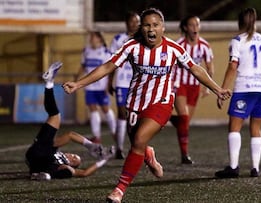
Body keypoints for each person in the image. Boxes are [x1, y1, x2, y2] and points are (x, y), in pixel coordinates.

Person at [62, 8, 231, 203]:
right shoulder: (131, 46)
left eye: (155, 25)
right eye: (147, 25)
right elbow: (108, 67)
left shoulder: (173, 48)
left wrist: (217, 88)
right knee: (137, 144)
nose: (151, 29)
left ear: (163, 27)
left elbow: (195, 69)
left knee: (140, 139)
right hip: (135, 103)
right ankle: (148, 154)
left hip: (161, 102)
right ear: (141, 28)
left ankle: (119, 189)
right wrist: (78, 84)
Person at [25, 62, 114, 180]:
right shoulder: (55, 150)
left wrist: (103, 160)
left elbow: (84, 173)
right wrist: (91, 146)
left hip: (37, 161)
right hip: (39, 150)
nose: (71, 156)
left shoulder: (64, 165)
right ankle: (49, 83)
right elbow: (70, 135)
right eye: (74, 156)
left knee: (65, 170)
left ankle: (42, 174)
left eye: (73, 159)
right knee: (55, 115)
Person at [214, 8, 261, 178]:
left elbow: (233, 66)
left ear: (240, 22)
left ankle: (233, 167)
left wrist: (222, 89)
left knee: (235, 126)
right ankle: (255, 168)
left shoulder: (238, 40)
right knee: (256, 128)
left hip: (245, 88)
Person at [170, 15, 215, 164]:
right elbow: (171, 65)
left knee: (185, 122)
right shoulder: (179, 44)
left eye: (197, 25)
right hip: (180, 84)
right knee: (184, 117)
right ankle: (184, 154)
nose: (195, 28)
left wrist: (207, 86)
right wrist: (171, 84)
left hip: (194, 86)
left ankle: (170, 118)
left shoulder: (204, 46)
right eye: (191, 25)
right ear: (185, 28)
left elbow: (210, 67)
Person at [109, 11, 140, 159]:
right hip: (122, 82)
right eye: (132, 21)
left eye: (137, 21)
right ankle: (119, 149)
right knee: (122, 115)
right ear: (127, 23)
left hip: (139, 83)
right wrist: (109, 81)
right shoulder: (118, 39)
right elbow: (112, 63)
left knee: (135, 116)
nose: (135, 24)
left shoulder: (143, 39)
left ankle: (137, 147)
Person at [77, 31, 116, 144]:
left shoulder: (105, 52)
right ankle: (96, 136)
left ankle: (114, 132)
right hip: (89, 86)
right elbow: (83, 66)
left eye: (93, 37)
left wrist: (108, 84)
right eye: (91, 37)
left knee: (105, 109)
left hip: (101, 86)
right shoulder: (86, 51)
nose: (91, 39)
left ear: (99, 39)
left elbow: (109, 69)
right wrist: (77, 80)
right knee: (92, 109)